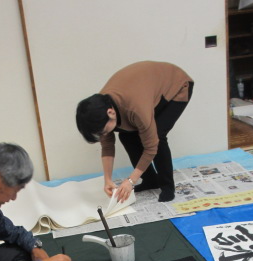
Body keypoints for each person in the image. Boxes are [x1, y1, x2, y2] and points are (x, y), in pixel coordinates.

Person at [76, 61, 194, 203]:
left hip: (177, 86)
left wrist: (131, 180)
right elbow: (107, 146)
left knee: (158, 136)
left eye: (103, 131)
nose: (103, 135)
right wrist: (107, 179)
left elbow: (151, 147)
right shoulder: (99, 107)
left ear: (111, 112)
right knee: (127, 136)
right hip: (145, 91)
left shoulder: (136, 109)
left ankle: (167, 186)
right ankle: (151, 180)